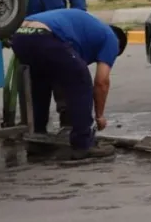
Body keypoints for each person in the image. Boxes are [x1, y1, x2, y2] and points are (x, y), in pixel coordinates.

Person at [9, 9, 128, 160]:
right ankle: (83, 144)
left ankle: (37, 141)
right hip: (45, 36)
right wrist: (99, 116)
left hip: (21, 35)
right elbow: (101, 82)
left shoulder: (88, 30)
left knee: (40, 85)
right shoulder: (111, 38)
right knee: (82, 82)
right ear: (118, 46)